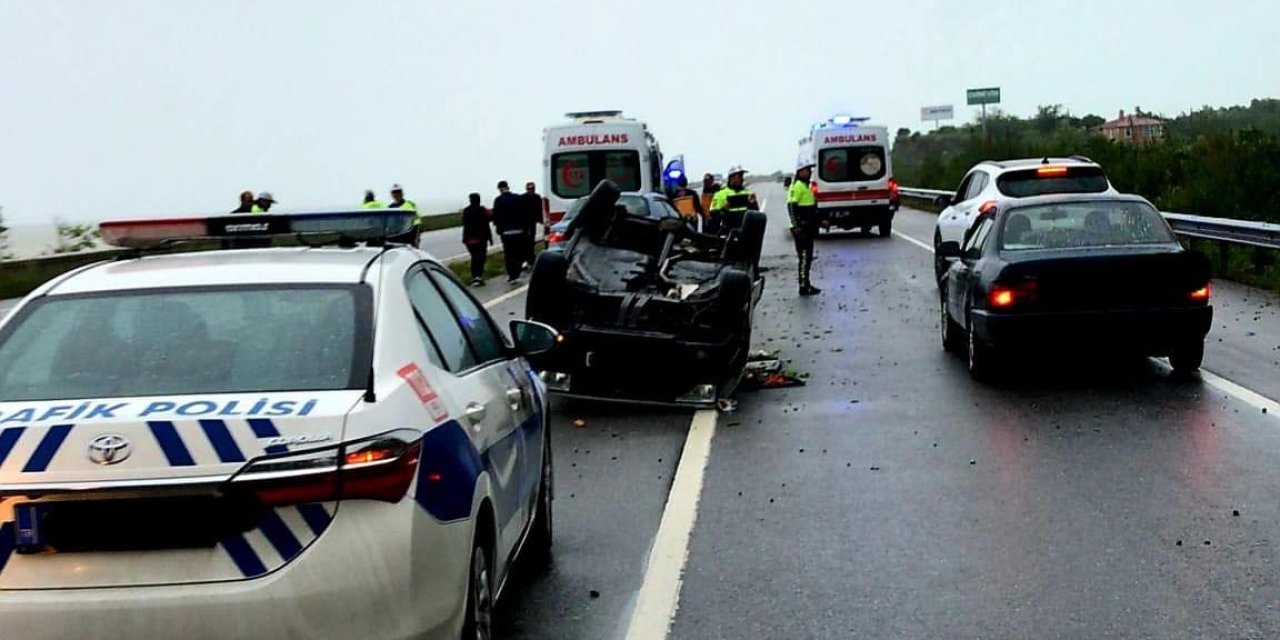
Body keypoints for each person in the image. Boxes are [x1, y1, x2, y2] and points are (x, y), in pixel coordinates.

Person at [788, 161, 822, 296]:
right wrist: (796, 225)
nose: (810, 172)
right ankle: (803, 286)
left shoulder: (805, 187)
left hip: (808, 228)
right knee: (804, 258)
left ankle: (807, 283)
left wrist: (820, 221)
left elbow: (811, 209)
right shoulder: (796, 187)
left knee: (807, 258)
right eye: (807, 170)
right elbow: (791, 207)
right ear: (800, 171)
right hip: (801, 229)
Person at [492, 181, 527, 283]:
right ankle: (517, 270)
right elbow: (523, 213)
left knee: (509, 254)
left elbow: (496, 216)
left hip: (506, 232)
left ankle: (512, 275)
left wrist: (499, 229)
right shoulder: (517, 198)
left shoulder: (498, 200)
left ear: (499, 189)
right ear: (508, 187)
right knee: (518, 252)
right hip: (519, 231)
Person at [709, 166, 758, 235]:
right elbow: (713, 216)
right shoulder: (720, 194)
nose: (742, 178)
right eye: (739, 176)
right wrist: (724, 210)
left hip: (745, 231)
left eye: (742, 176)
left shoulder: (748, 193)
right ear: (731, 178)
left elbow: (755, 214)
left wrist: (753, 203)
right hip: (728, 231)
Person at [461, 193, 492, 286]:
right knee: (480, 258)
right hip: (481, 239)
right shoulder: (483, 210)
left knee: (475, 257)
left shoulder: (465, 211)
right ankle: (478, 276)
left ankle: (475, 276)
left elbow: (463, 222)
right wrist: (490, 238)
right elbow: (489, 221)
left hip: (469, 239)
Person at [519, 182, 543, 269]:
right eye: (529, 189)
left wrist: (541, 220)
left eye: (532, 189)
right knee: (526, 242)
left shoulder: (536, 197)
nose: (530, 191)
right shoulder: (523, 198)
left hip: (531, 223)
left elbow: (540, 210)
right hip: (524, 223)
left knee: (530, 242)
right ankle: (527, 260)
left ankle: (529, 260)